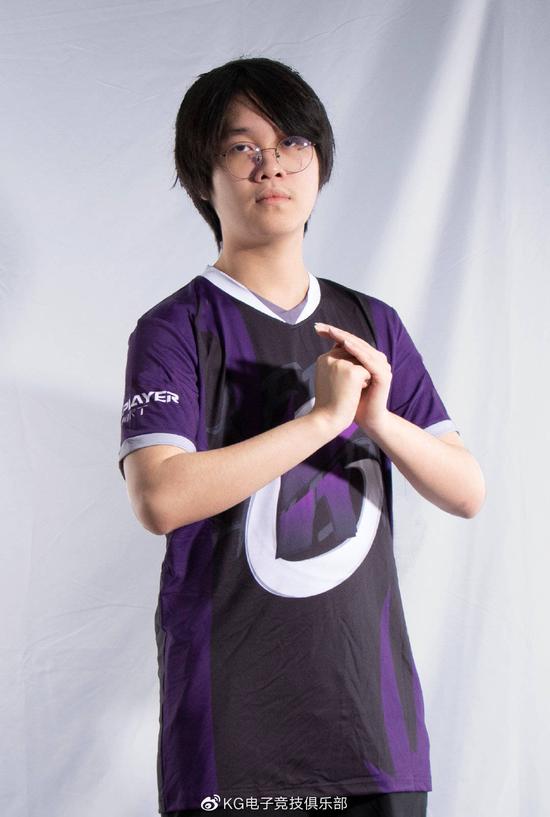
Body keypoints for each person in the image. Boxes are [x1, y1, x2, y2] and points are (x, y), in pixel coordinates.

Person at [117, 57, 485, 817]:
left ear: (319, 164)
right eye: (241, 146)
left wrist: (376, 418)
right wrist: (321, 420)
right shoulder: (175, 327)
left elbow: (466, 490)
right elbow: (160, 498)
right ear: (200, 176)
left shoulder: (372, 322)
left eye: (292, 143)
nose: (272, 164)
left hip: (373, 725)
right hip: (232, 728)